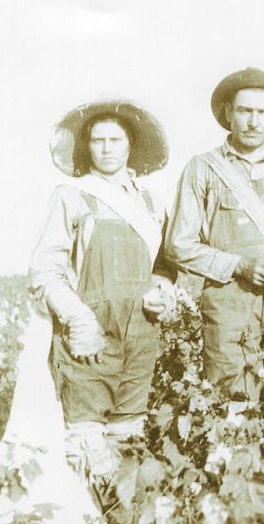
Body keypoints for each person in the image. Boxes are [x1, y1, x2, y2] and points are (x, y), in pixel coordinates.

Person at [29, 100, 176, 482]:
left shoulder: (151, 203)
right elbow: (44, 271)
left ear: (131, 144)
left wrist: (162, 290)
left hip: (141, 333)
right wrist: (78, 319)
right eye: (98, 140)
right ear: (86, 147)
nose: (107, 148)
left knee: (129, 441)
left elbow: (164, 265)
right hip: (89, 334)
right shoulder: (72, 196)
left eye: (116, 139)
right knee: (87, 446)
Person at [165, 67, 264, 406]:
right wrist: (238, 266)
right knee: (233, 411)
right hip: (229, 311)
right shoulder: (203, 168)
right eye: (245, 111)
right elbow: (178, 244)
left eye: (263, 113)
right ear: (228, 113)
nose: (254, 121)